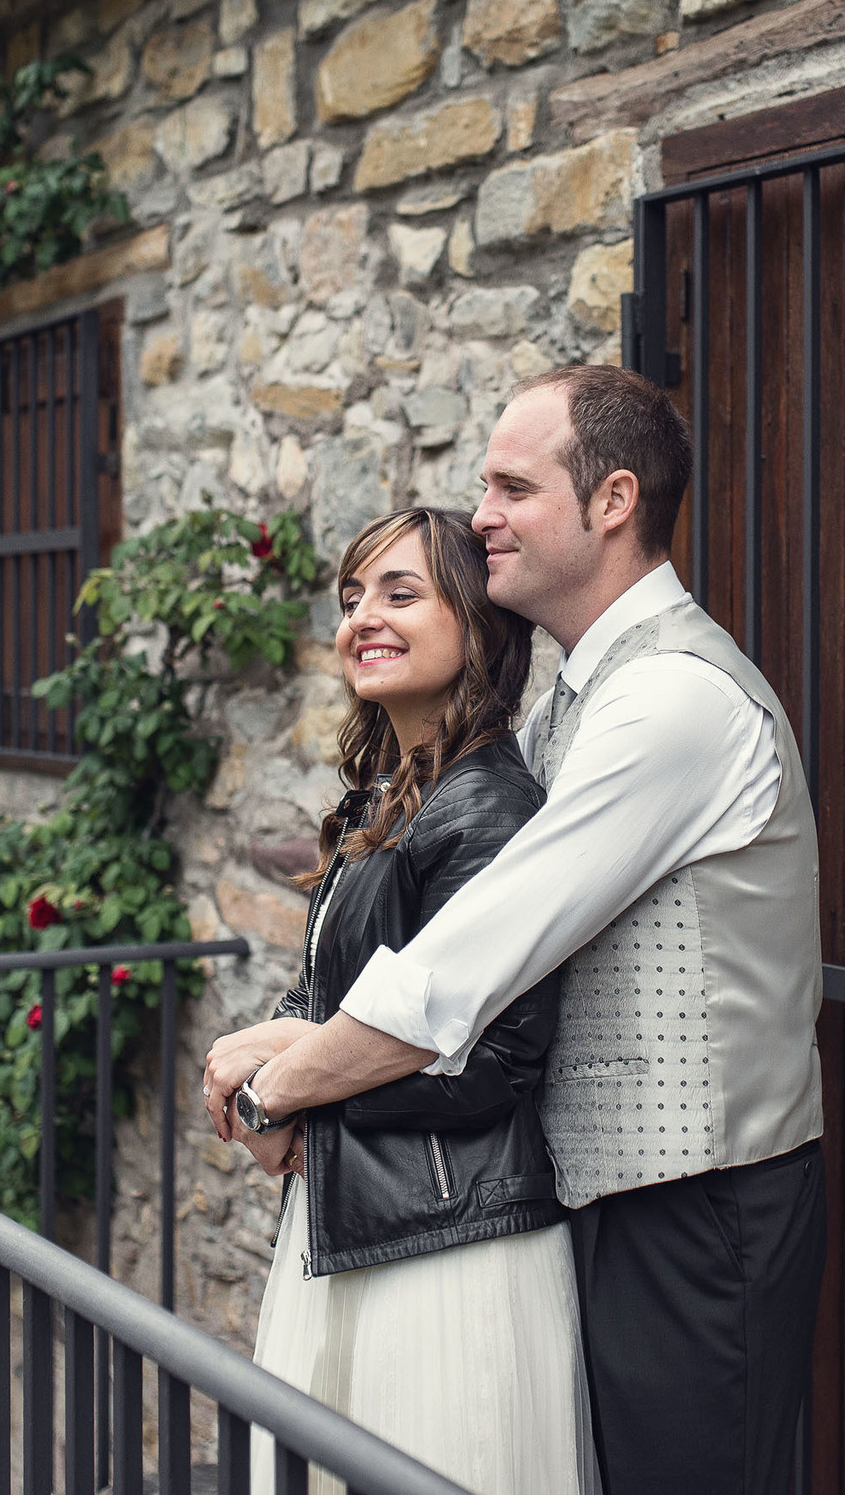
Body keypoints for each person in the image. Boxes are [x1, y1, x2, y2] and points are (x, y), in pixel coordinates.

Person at [208, 367, 826, 1495]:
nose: (481, 511)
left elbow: (463, 966)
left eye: (510, 486)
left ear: (612, 501)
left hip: (696, 1207)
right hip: (590, 1201)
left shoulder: (673, 700)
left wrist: (283, 1090)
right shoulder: (571, 703)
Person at [211, 505, 597, 1495]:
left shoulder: (491, 808)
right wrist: (273, 1047)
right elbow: (351, 999)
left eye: (399, 593)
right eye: (350, 599)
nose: (361, 620)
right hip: (364, 1211)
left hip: (447, 1246)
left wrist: (287, 1096)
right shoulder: (388, 796)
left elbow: (499, 1058)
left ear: (473, 620)